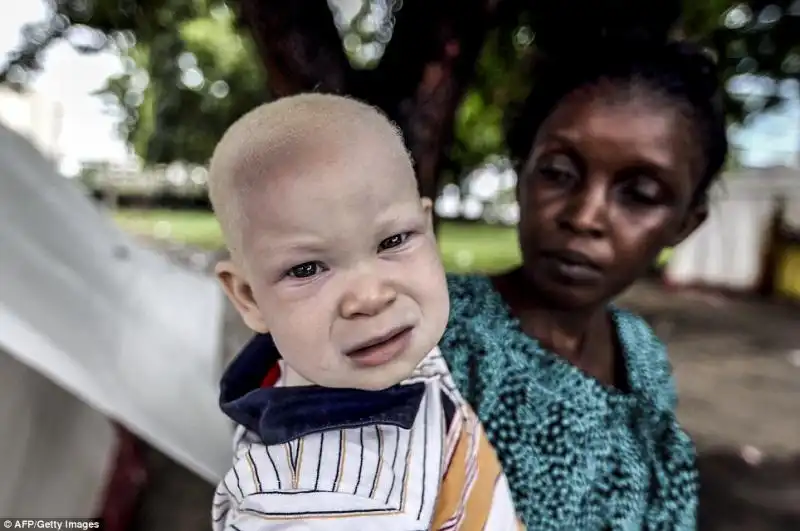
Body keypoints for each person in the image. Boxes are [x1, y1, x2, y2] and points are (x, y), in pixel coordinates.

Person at [439, 38, 728, 530]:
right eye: (557, 172)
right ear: (520, 174)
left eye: (639, 194)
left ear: (684, 224)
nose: (585, 216)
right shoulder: (437, 333)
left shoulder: (642, 354)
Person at [207, 94, 523, 530]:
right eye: (306, 268)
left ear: (427, 230)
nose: (371, 297)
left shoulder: (379, 351)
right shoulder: (319, 506)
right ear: (249, 298)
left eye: (393, 241)